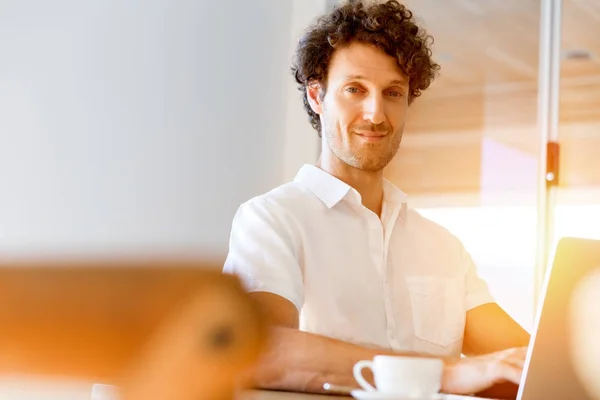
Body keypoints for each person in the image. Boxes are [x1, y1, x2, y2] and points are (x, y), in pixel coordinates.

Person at [223, 0, 530, 395]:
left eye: (392, 93)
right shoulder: (272, 220)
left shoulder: (443, 247)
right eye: (355, 89)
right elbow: (262, 349)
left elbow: (525, 361)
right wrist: (446, 374)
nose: (375, 113)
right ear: (318, 97)